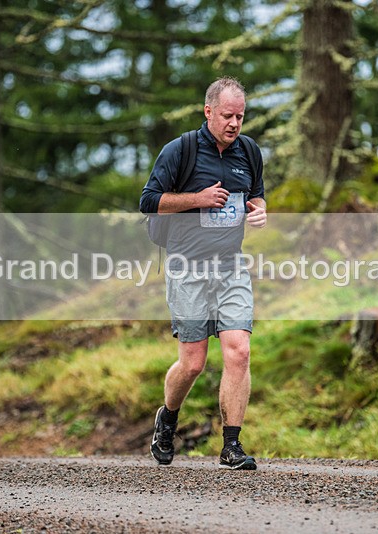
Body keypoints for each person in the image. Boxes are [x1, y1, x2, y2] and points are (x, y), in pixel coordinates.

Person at [139, 76, 267, 470]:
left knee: (239, 351)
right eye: (227, 115)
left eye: (240, 116)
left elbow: (256, 193)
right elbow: (148, 202)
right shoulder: (180, 150)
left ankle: (231, 445)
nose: (234, 123)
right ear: (208, 111)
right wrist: (199, 199)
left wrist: (260, 210)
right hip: (187, 266)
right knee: (193, 362)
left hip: (230, 266)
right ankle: (168, 417)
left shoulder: (249, 151)